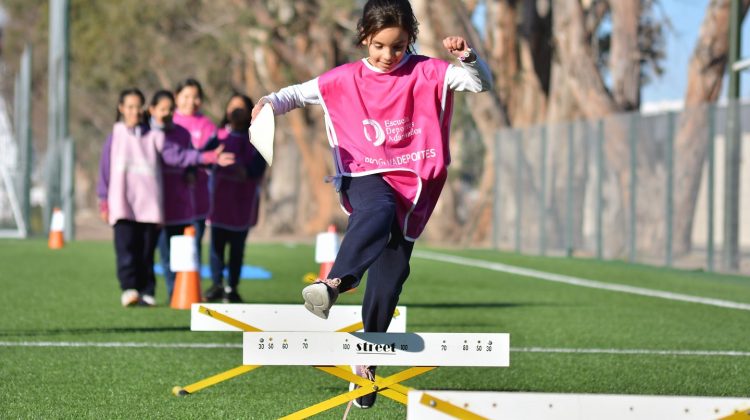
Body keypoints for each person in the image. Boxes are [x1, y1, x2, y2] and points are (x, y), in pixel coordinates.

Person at [251, 0, 492, 410]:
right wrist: (268, 103)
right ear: (365, 37)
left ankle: (367, 359)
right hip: (363, 172)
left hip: (413, 180)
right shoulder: (344, 78)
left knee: (393, 272)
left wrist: (469, 58)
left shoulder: (427, 72)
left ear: (409, 41)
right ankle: (334, 283)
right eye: (379, 46)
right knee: (377, 210)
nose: (387, 55)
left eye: (398, 47)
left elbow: (479, 83)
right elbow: (294, 94)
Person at [97, 88, 234, 307]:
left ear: (144, 109)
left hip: (148, 205)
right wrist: (103, 199)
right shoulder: (116, 135)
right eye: (129, 107)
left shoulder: (154, 135)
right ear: (121, 108)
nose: (134, 111)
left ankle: (147, 291)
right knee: (125, 250)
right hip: (122, 203)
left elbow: (177, 155)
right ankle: (129, 289)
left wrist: (207, 156)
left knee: (146, 253)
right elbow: (105, 169)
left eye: (137, 107)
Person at [204, 93, 261, 302]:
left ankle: (232, 287)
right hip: (219, 201)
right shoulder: (218, 136)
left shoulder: (254, 139)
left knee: (237, 249)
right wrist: (213, 159)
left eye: (241, 108)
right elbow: (204, 157)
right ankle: (216, 284)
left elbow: (258, 166)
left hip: (242, 202)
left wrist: (245, 170)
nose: (236, 112)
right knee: (216, 247)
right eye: (233, 107)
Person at [147, 90, 196, 302]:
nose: (167, 113)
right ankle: (159, 291)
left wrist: (191, 173)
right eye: (162, 109)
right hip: (153, 204)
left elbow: (189, 160)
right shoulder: (147, 132)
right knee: (162, 253)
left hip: (179, 203)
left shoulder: (183, 134)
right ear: (152, 110)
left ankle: (177, 292)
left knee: (180, 251)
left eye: (170, 109)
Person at [172, 78, 217, 277]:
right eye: (186, 96)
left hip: (198, 195)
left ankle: (191, 285)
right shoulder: (169, 122)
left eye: (196, 97)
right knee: (172, 243)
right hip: (171, 196)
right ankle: (173, 286)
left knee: (194, 243)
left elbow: (214, 157)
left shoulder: (207, 125)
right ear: (176, 97)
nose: (191, 101)